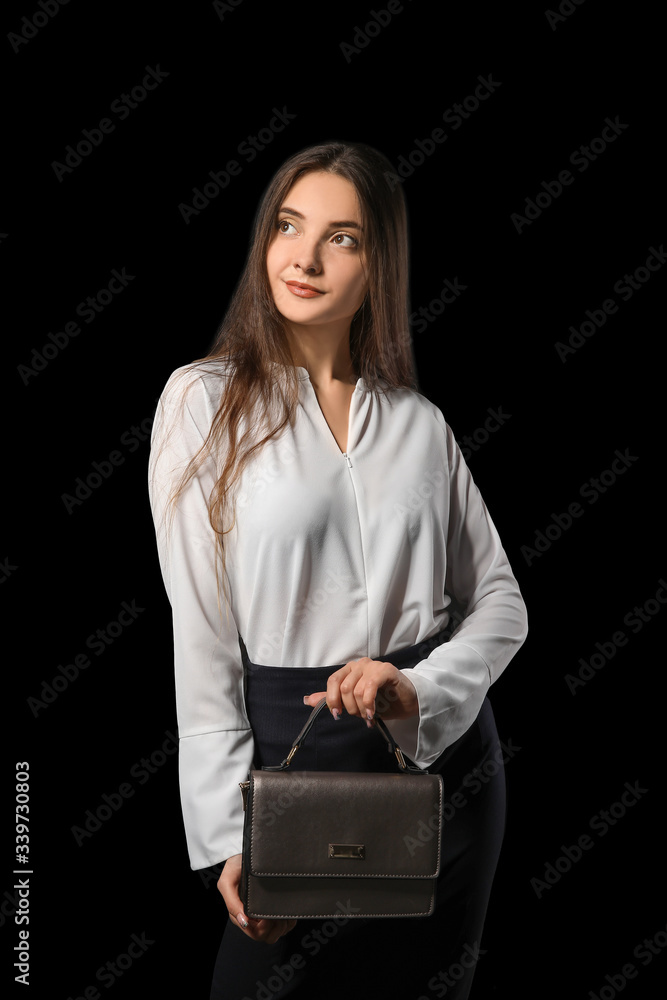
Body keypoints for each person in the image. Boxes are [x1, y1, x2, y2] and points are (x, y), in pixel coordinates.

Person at [148, 141, 528, 999]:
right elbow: (201, 635)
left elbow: (501, 603)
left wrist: (417, 690)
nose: (305, 257)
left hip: (445, 774)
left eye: (342, 237)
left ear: (378, 262)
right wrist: (224, 834)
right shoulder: (201, 403)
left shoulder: (419, 425)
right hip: (289, 772)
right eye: (289, 226)